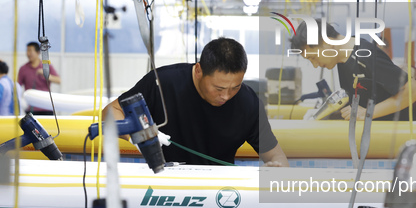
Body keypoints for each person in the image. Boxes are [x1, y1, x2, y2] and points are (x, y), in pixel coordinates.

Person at [103, 37, 289, 166]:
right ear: (199, 70)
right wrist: (136, 135)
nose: (226, 96)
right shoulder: (162, 83)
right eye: (219, 88)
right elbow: (111, 111)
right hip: (164, 181)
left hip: (220, 192)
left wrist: (277, 169)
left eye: (235, 87)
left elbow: (276, 156)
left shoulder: (248, 103)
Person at [291, 19, 416, 121]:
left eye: (313, 58)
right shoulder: (343, 59)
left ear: (328, 43)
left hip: (390, 138)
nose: (315, 65)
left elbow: (415, 91)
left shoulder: (365, 55)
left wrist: (367, 112)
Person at [18, 41, 61, 115]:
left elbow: (58, 80)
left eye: (30, 51)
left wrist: (46, 75)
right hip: (31, 108)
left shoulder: (46, 66)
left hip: (46, 107)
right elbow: (18, 86)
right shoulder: (23, 68)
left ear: (38, 52)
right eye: (27, 51)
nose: (28, 54)